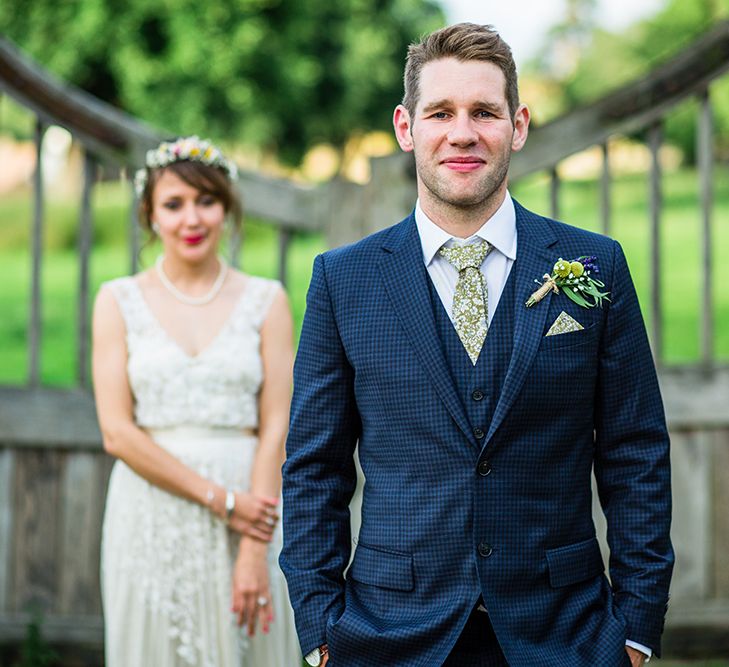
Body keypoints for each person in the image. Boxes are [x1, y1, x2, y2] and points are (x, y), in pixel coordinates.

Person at [280, 23, 673, 667]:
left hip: (565, 633)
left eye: (484, 112)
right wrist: (320, 628)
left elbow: (636, 454)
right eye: (441, 112)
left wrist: (634, 628)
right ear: (407, 128)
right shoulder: (342, 280)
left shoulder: (593, 265)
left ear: (517, 126)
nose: (463, 133)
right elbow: (314, 469)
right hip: (388, 634)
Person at [93, 136, 300, 666]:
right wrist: (221, 501)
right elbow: (117, 432)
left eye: (206, 201)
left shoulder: (266, 300)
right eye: (174, 204)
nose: (192, 219)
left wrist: (255, 544)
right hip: (150, 513)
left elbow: (277, 425)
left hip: (252, 512)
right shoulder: (118, 301)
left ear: (226, 210)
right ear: (150, 216)